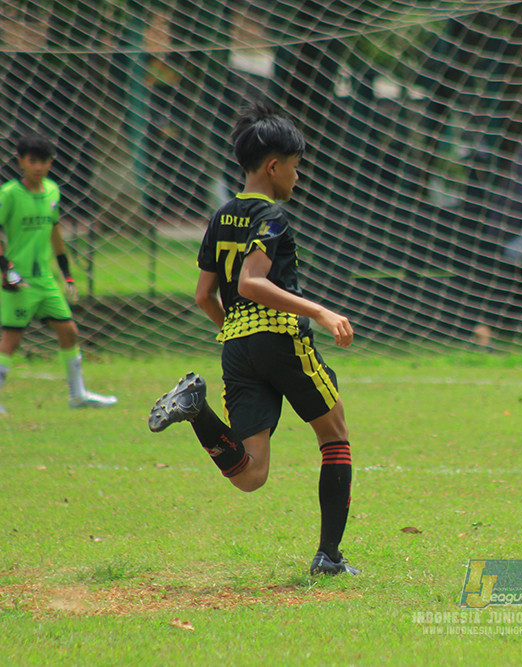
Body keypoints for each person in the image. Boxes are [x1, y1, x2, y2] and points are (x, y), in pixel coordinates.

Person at [147, 102, 358, 577]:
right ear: (273, 166)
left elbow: (205, 294)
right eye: (297, 167)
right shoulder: (274, 216)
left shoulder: (220, 216)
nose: (298, 177)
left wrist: (236, 331)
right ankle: (329, 556)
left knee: (250, 474)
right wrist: (321, 311)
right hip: (281, 337)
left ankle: (197, 409)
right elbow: (251, 282)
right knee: (335, 435)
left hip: (237, 347)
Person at [0, 134, 117, 414]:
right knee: (11, 340)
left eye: (43, 161)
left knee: (69, 332)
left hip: (46, 280)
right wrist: (6, 269)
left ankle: (78, 395)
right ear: (21, 162)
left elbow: (55, 231)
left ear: (51, 162)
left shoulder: (53, 190)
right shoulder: (9, 194)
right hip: (20, 279)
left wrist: (67, 273)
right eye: (32, 161)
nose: (38, 167)